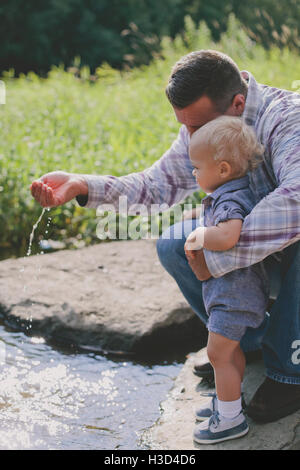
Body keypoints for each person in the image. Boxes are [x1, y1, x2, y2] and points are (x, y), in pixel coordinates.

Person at [30, 50, 300, 424]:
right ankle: (246, 343)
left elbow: (295, 204)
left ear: (238, 103)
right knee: (176, 243)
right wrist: (81, 186)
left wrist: (216, 254)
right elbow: (158, 185)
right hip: (253, 242)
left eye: (196, 127)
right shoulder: (205, 123)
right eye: (184, 126)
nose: (189, 138)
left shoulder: (287, 118)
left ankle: (291, 368)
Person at [184, 115, 267, 444]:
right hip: (234, 291)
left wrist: (199, 235)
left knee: (218, 353)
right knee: (230, 353)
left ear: (221, 169)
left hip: (236, 295)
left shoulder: (230, 199)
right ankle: (228, 400)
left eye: (197, 167)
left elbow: (229, 235)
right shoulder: (231, 191)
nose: (193, 172)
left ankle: (230, 420)